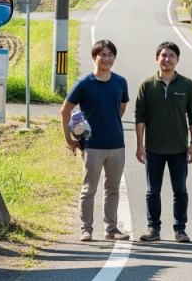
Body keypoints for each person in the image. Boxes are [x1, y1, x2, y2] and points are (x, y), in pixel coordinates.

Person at [61, 39, 131, 243]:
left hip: (117, 145)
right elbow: (65, 111)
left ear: (114, 58)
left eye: (110, 55)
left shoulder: (120, 82)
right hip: (92, 146)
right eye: (102, 54)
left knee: (113, 189)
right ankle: (86, 229)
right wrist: (69, 140)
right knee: (88, 189)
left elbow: (121, 108)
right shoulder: (84, 83)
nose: (107, 58)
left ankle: (111, 228)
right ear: (94, 57)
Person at [135, 41, 192, 243]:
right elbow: (140, 117)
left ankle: (180, 229)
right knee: (152, 191)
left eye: (172, 56)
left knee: (180, 191)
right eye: (164, 55)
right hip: (153, 148)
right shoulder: (147, 85)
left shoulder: (187, 84)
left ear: (177, 59)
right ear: (157, 59)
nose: (167, 59)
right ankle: (153, 228)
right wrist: (139, 145)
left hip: (179, 148)